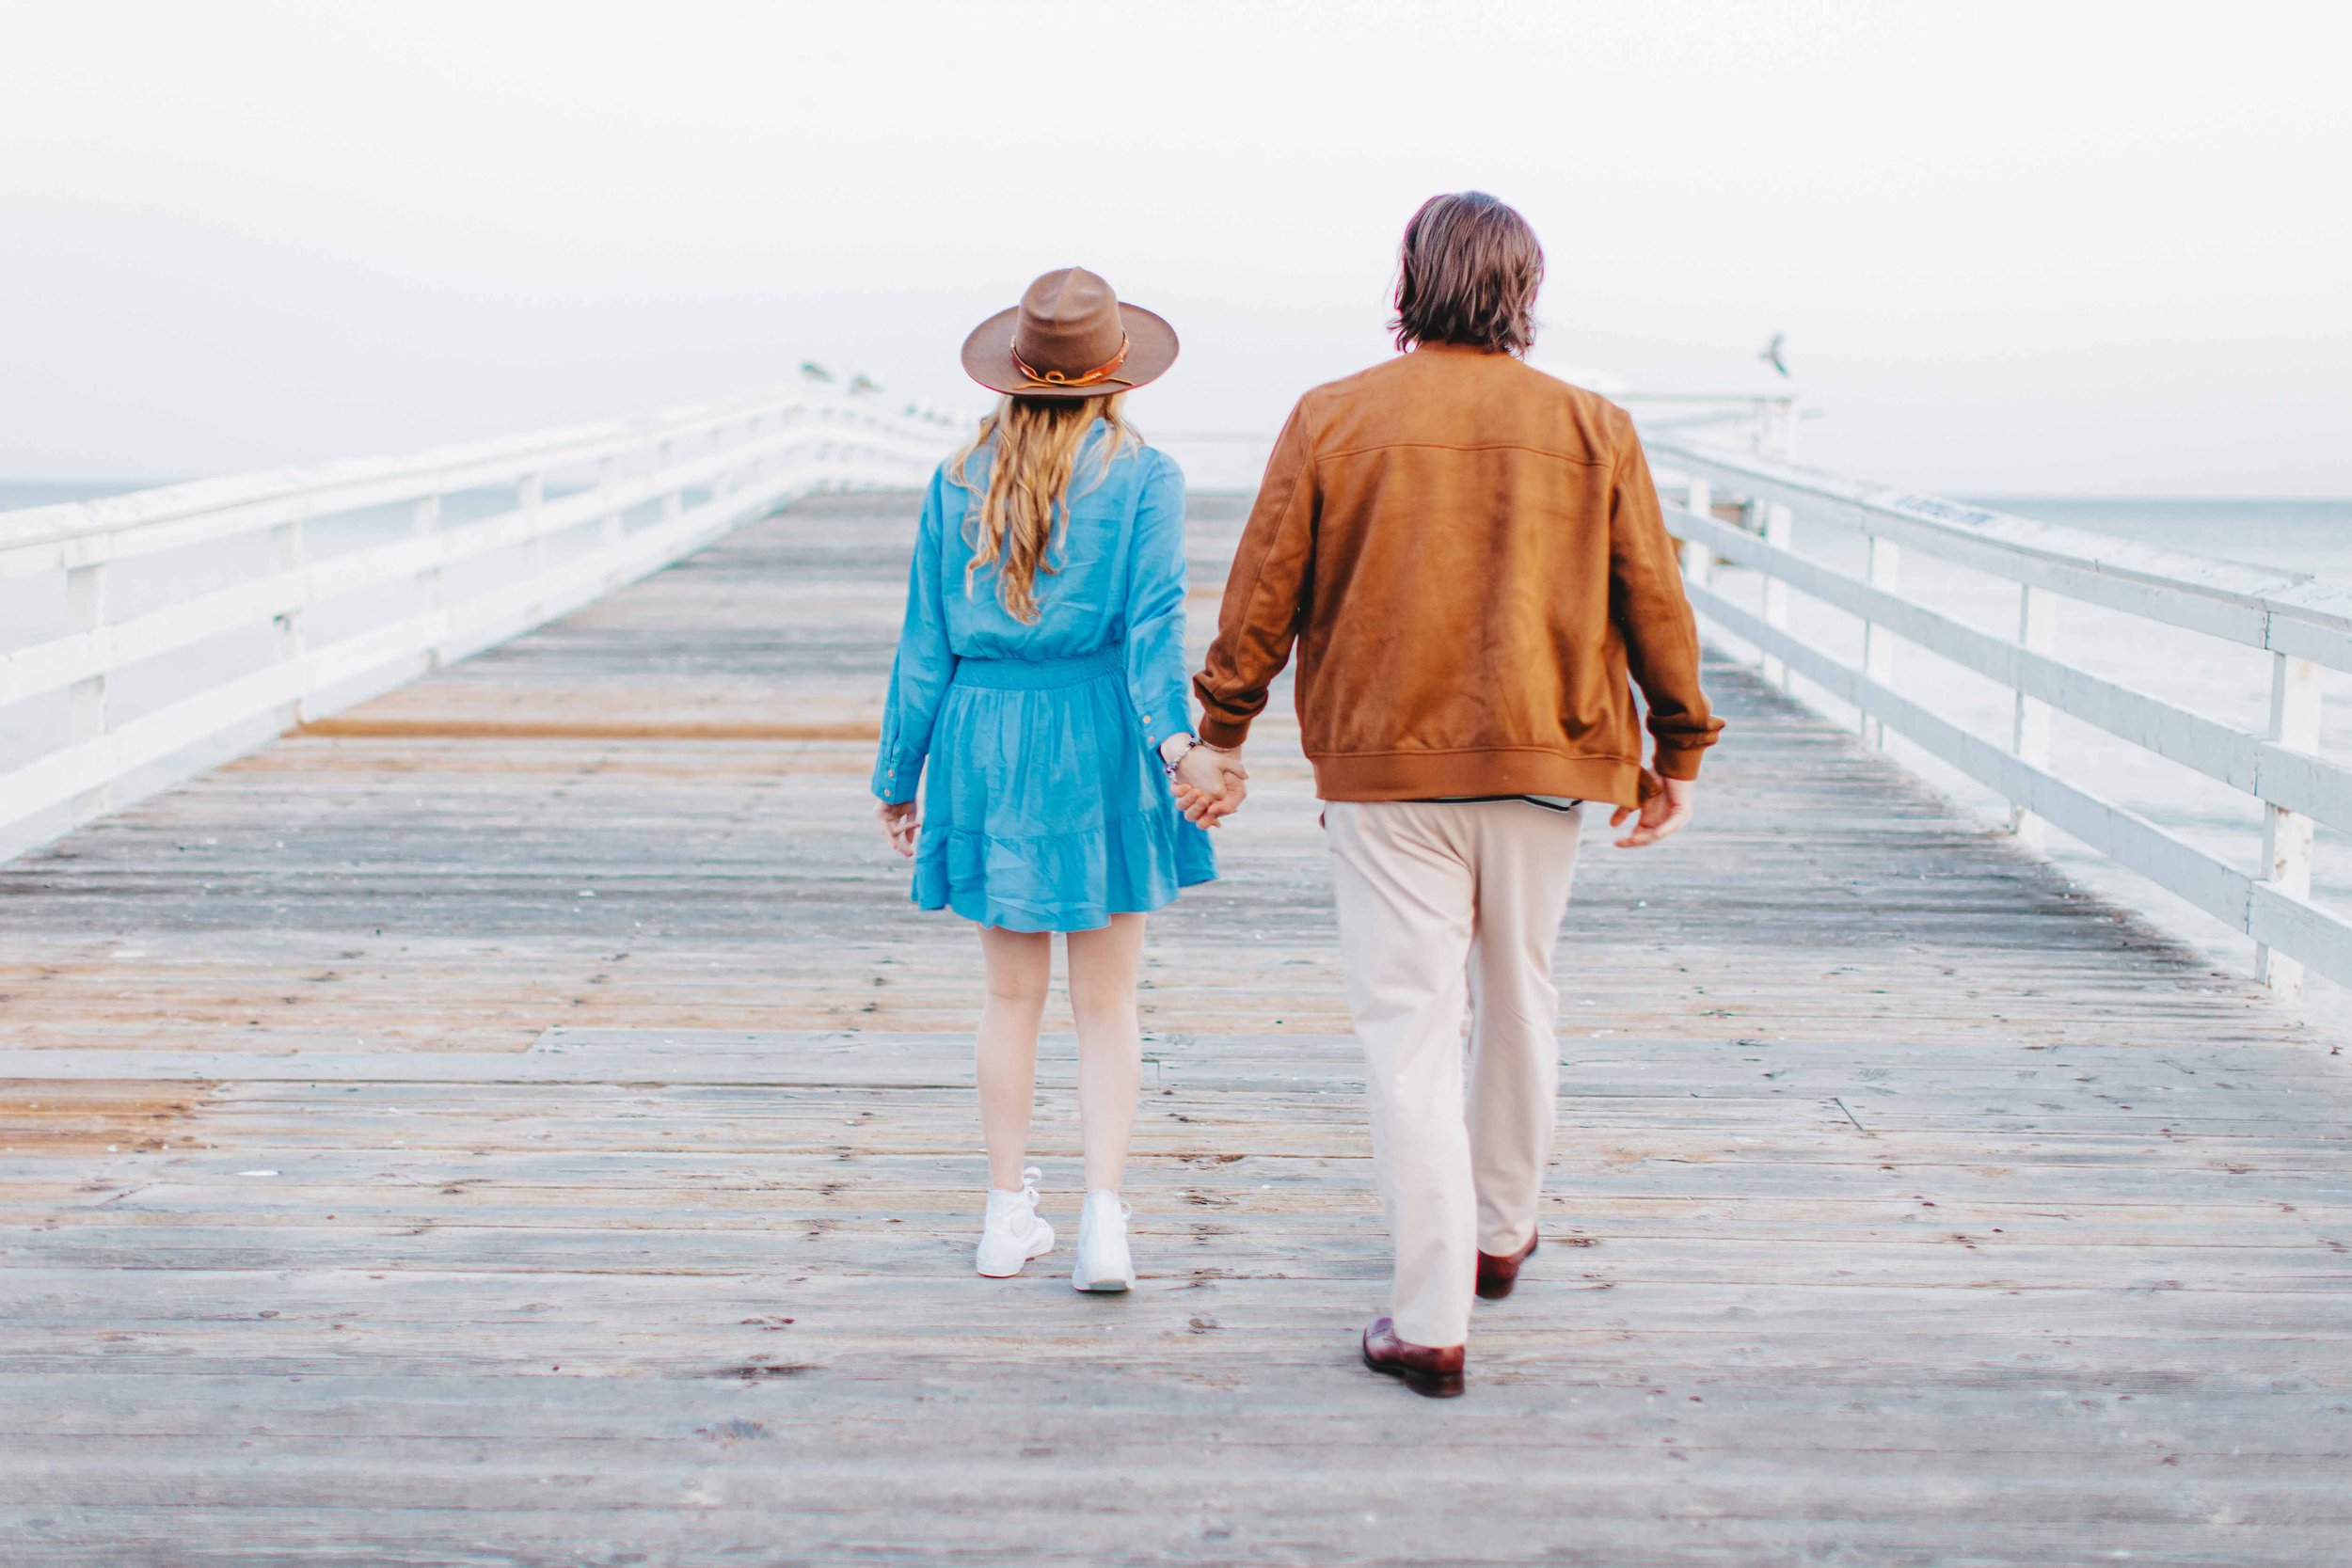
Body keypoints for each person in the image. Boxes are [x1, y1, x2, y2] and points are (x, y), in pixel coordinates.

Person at [1183, 194, 1723, 1395]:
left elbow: (1264, 589)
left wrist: (1223, 729)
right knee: (1520, 991)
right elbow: (1653, 594)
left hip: (1387, 767)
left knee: (1409, 1027)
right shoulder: (1591, 425)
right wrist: (1678, 747)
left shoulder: (1334, 415)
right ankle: (1499, 1232)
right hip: (1546, 758)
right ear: (1523, 289)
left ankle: (1430, 1318)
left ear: (1409, 278)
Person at [873, 266, 1248, 1292]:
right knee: (1108, 1002)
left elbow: (924, 641)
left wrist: (899, 773)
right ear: (1115, 374)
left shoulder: (959, 477)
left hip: (983, 738)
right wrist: (1177, 746)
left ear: (1013, 370)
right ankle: (1102, 1224)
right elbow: (1153, 632)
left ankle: (1005, 1219)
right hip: (1098, 735)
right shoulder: (1145, 476)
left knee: (1008, 996)